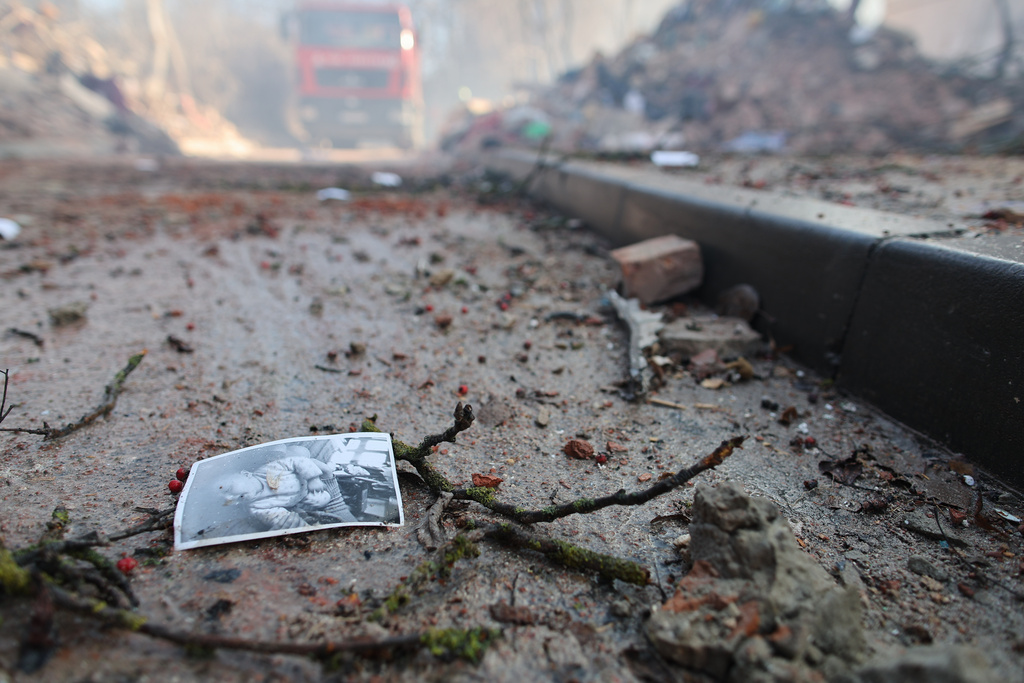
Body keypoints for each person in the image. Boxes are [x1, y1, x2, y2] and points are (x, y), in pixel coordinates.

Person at [220, 445, 354, 530]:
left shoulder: (267, 470)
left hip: (303, 477)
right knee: (321, 500)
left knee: (300, 454)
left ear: (246, 474)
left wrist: (313, 479)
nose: (230, 497)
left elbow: (298, 462)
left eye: (227, 489)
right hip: (299, 499)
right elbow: (279, 517)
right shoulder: (256, 507)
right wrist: (297, 524)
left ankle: (281, 455)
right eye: (228, 500)